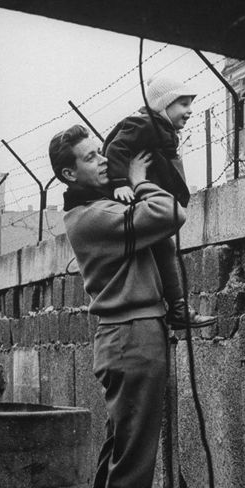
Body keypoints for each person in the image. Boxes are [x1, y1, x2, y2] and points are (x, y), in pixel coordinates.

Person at [48, 124, 182, 488]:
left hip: (127, 337)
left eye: (100, 151)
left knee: (121, 450)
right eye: (91, 157)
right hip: (133, 337)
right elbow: (171, 212)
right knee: (134, 461)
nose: (104, 159)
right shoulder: (92, 215)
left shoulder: (99, 206)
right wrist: (139, 180)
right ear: (69, 174)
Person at [103, 75, 216, 330]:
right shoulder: (145, 124)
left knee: (165, 251)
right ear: (162, 105)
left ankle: (176, 308)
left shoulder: (162, 130)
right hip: (134, 200)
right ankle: (176, 310)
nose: (189, 111)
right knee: (163, 251)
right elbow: (116, 149)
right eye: (183, 104)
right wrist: (121, 182)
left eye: (190, 104)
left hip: (147, 200)